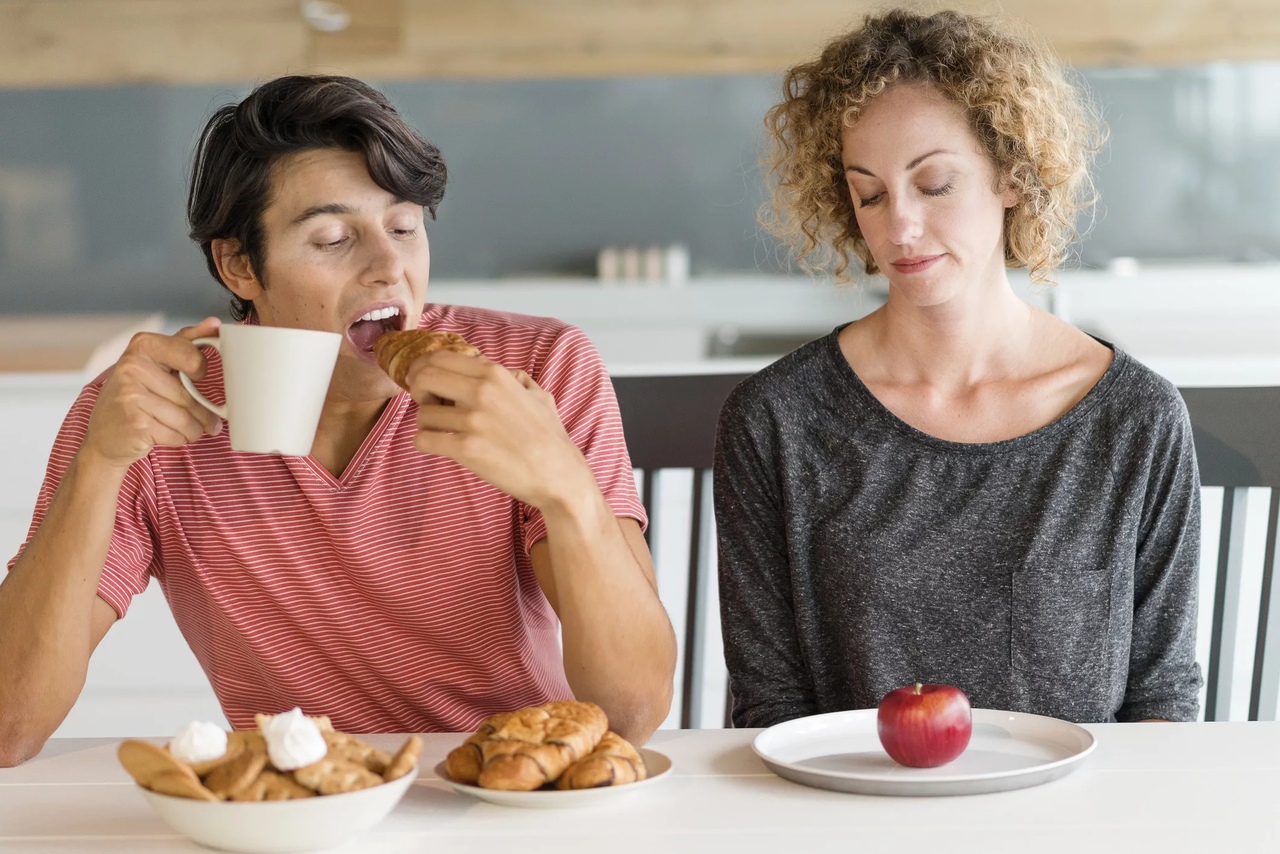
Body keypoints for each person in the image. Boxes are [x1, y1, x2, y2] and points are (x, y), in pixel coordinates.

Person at [0, 75, 676, 766]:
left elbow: (630, 713)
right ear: (239, 265)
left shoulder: (534, 370)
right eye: (331, 238)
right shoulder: (156, 410)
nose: (388, 267)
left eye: (404, 227)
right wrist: (97, 464)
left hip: (508, 789)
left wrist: (565, 490)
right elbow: (8, 727)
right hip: (298, 809)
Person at [714, 9, 1202, 727]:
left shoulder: (1135, 420)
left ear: (1011, 175)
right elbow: (772, 710)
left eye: (934, 183)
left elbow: (1162, 702)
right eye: (869, 193)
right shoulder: (776, 420)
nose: (899, 228)